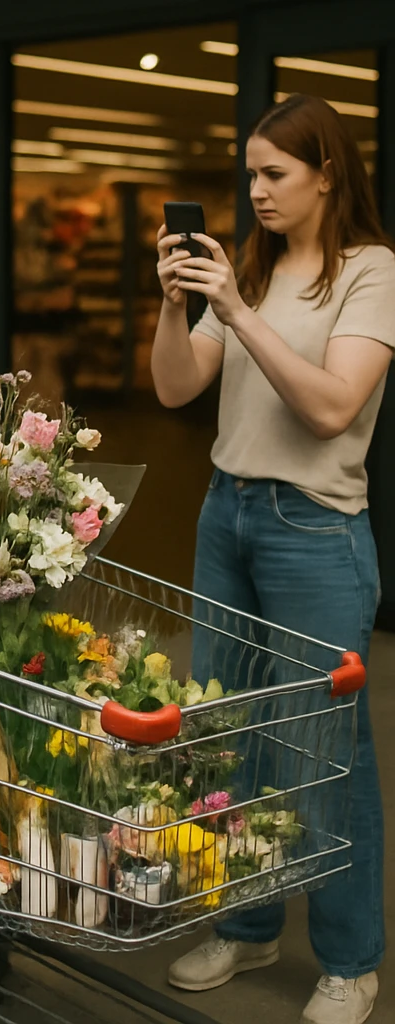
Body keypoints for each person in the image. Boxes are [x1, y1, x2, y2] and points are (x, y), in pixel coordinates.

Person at [151, 93, 391, 1024]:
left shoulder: (371, 272)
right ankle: (247, 928)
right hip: (229, 516)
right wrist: (178, 306)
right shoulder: (249, 268)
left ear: (327, 174)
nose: (254, 191)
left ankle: (349, 960)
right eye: (248, 174)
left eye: (273, 174)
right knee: (230, 732)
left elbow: (332, 407)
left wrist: (238, 311)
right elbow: (175, 387)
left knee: (321, 751)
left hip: (315, 531)